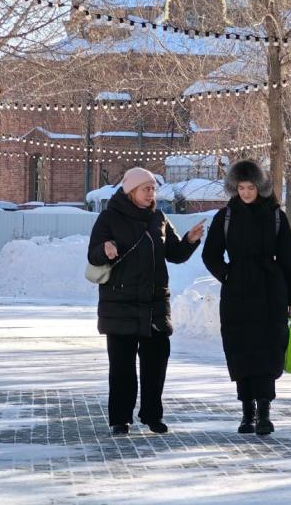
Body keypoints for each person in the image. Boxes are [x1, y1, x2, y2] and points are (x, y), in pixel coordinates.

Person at [88, 167, 205, 436]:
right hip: (120, 303)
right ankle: (120, 418)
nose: (151, 194)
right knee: (122, 368)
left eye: (153, 189)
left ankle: (153, 415)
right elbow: (93, 255)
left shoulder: (159, 218)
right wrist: (104, 250)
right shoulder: (109, 218)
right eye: (146, 189)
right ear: (131, 191)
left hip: (154, 304)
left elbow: (174, 254)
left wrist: (189, 240)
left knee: (156, 364)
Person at [201, 160, 291, 436]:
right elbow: (210, 255)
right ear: (235, 188)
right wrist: (228, 276)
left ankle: (265, 414)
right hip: (237, 295)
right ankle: (247, 413)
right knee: (240, 350)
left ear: (261, 187)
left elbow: (289, 259)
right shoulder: (225, 217)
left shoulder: (275, 216)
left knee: (268, 352)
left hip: (271, 293)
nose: (246, 192)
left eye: (251, 187)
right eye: (241, 187)